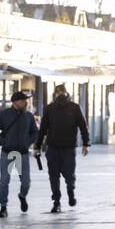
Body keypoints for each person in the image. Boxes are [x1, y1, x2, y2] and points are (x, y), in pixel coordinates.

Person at [34, 84, 90, 213]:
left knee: (69, 174)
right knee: (53, 175)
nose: (60, 95)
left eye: (62, 92)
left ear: (66, 93)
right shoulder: (49, 109)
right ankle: (57, 202)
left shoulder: (74, 108)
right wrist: (37, 146)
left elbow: (83, 126)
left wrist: (86, 143)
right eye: (58, 92)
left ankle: (71, 192)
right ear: (55, 94)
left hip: (69, 148)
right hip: (52, 147)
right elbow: (42, 129)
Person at [0, 90, 39, 218]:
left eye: (26, 100)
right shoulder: (3, 115)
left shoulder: (28, 116)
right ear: (16, 102)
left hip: (22, 153)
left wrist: (28, 142)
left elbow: (35, 132)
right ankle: (3, 207)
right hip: (7, 153)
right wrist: (3, 141)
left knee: (26, 182)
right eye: (23, 100)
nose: (26, 102)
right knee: (4, 181)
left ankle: (22, 196)